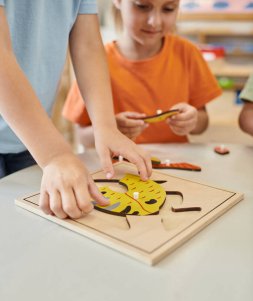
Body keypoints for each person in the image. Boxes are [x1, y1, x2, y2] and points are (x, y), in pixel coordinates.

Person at [0, 0, 151, 220]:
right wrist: (55, 155)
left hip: (30, 140)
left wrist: (105, 126)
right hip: (43, 145)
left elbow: (87, 46)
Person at [62, 0, 222, 147]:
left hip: (174, 165)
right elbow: (82, 137)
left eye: (168, 9)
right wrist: (109, 129)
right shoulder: (95, 63)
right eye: (142, 6)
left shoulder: (188, 53)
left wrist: (192, 121)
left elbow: (203, 122)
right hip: (120, 168)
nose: (154, 21)